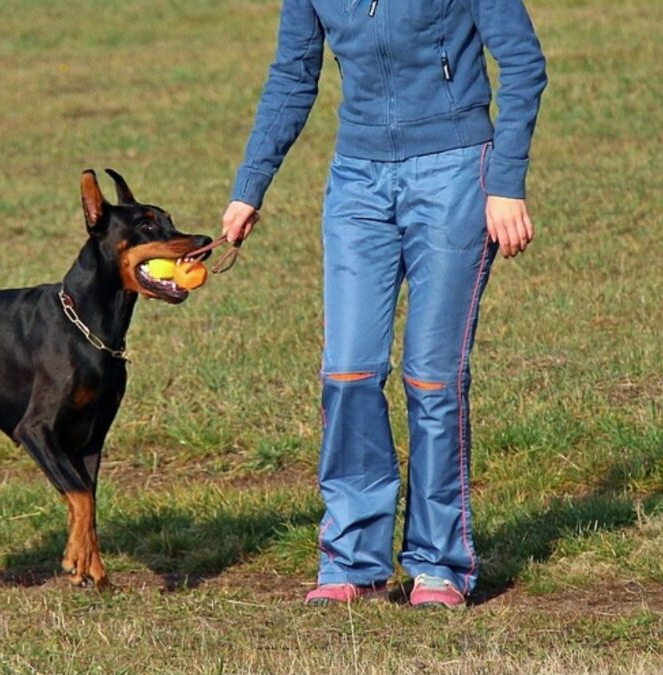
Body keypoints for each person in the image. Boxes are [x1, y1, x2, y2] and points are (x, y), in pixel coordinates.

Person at [222, 0, 546, 608]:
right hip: (357, 182)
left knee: (432, 378)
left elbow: (523, 62)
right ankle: (354, 561)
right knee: (347, 372)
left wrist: (505, 181)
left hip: (455, 172)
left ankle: (439, 564)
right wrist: (250, 186)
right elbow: (293, 76)